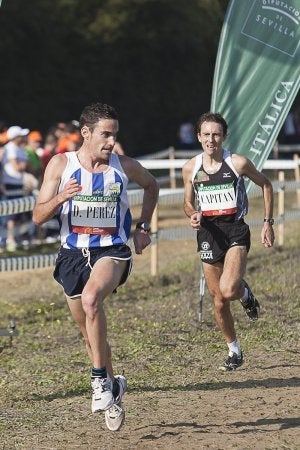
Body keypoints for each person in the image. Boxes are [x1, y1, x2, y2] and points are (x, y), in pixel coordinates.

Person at [32, 102, 159, 431]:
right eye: (105, 134)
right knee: (90, 337)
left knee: (92, 300)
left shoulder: (124, 165)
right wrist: (61, 198)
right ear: (85, 133)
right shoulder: (61, 165)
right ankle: (114, 388)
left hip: (112, 252)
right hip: (72, 256)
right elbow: (37, 216)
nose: (111, 141)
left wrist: (143, 228)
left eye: (115, 135)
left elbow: (152, 185)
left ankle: (100, 382)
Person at [182, 112, 275, 371]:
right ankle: (234, 351)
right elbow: (187, 203)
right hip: (208, 234)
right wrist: (192, 214)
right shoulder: (191, 167)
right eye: (206, 134)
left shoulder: (237, 163)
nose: (211, 139)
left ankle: (245, 294)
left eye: (216, 134)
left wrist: (268, 222)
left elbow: (266, 184)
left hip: (235, 230)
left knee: (228, 289)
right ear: (199, 137)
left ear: (224, 136)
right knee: (219, 300)